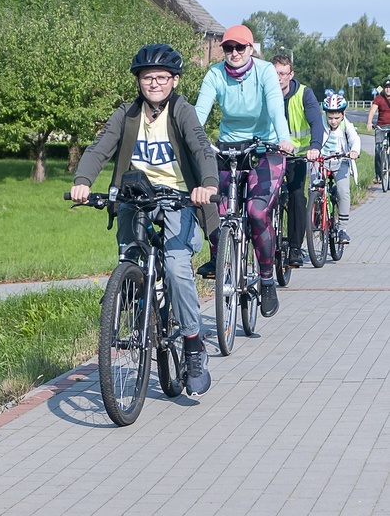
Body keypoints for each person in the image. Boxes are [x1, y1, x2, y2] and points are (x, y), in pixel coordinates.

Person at [70, 44, 219, 397]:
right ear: (138, 81)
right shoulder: (127, 113)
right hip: (135, 198)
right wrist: (82, 181)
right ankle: (141, 304)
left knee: (178, 265)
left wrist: (207, 186)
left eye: (161, 78)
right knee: (128, 260)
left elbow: (200, 148)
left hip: (178, 199)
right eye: (147, 77)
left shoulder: (182, 112)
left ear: (174, 80)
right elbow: (99, 147)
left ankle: (194, 344)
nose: (154, 83)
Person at [193, 24, 294, 318]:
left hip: (266, 148)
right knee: (213, 206)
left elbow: (275, 107)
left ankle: (265, 279)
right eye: (228, 48)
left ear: (251, 49)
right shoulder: (215, 74)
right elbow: (199, 113)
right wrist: (190, 141)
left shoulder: (264, 72)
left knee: (256, 212)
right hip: (227, 147)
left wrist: (283, 138)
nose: (234, 53)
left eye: (240, 47)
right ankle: (218, 255)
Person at [270, 55, 322, 267]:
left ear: (291, 75)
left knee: (297, 196)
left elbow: (316, 121)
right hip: (272, 155)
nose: (279, 78)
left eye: (283, 74)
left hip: (298, 156)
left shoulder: (304, 94)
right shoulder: (265, 94)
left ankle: (294, 248)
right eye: (275, 74)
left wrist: (315, 146)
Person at [318, 90, 360, 244]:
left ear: (343, 114)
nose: (333, 121)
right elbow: (314, 137)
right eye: (330, 117)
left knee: (343, 191)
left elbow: (355, 139)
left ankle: (342, 229)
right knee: (314, 187)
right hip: (322, 160)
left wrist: (354, 151)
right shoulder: (320, 122)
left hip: (340, 161)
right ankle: (316, 212)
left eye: (336, 117)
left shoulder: (346, 125)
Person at [366, 79, 390, 183]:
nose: (388, 89)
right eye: (386, 87)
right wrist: (369, 122)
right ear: (384, 89)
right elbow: (372, 111)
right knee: (378, 150)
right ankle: (378, 176)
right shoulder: (379, 99)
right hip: (381, 126)